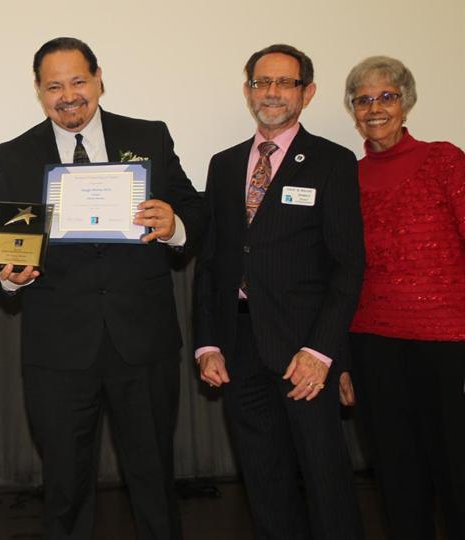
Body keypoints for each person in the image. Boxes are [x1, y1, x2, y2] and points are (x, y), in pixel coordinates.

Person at [0, 37, 204, 540]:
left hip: (142, 341)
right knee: (65, 486)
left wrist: (175, 224)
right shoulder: (15, 155)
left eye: (78, 81)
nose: (68, 96)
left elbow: (195, 210)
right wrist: (9, 276)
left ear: (99, 79)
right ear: (39, 91)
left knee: (154, 479)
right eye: (54, 86)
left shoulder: (149, 136)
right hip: (58, 348)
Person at [193, 44, 365, 539]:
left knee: (325, 477)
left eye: (285, 83)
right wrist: (208, 344)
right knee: (263, 478)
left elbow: (348, 266)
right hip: (239, 346)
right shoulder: (224, 165)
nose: (271, 92)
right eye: (261, 82)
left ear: (307, 93)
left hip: (304, 349)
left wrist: (322, 351)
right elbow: (212, 262)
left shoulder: (333, 162)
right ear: (248, 90)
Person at [344, 56, 465, 539]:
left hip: (448, 342)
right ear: (354, 111)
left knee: (456, 469)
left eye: (386, 97)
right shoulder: (346, 178)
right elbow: (341, 272)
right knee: (396, 475)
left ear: (406, 102)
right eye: (363, 100)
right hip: (373, 344)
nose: (375, 108)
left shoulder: (445, 160)